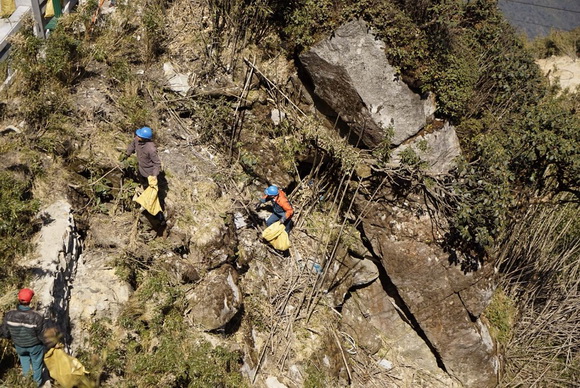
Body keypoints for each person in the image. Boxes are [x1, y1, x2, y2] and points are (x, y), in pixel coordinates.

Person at [1, 288, 47, 386]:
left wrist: (13, 338)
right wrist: (50, 344)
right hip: (35, 346)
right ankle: (36, 384)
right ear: (31, 300)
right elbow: (42, 335)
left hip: (19, 345)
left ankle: (27, 382)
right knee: (37, 365)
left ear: (18, 298)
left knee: (24, 361)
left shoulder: (9, 315)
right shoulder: (37, 316)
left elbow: (4, 332)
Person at [125, 126, 166, 226]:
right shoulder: (136, 140)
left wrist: (155, 175)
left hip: (150, 174)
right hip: (141, 171)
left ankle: (158, 215)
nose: (137, 136)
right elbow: (132, 146)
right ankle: (144, 203)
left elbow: (157, 163)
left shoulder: (151, 148)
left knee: (153, 195)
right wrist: (126, 154)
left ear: (144, 138)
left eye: (139, 136)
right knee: (144, 188)